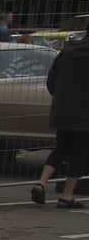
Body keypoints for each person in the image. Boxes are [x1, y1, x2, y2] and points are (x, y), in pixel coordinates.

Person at [33, 23, 89, 209]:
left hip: (62, 109)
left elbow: (51, 79)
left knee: (61, 148)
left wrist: (60, 98)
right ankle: (67, 196)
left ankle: (41, 183)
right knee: (79, 154)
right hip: (84, 114)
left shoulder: (67, 51)